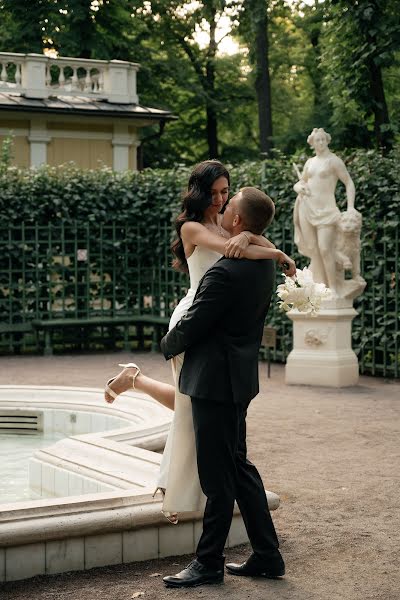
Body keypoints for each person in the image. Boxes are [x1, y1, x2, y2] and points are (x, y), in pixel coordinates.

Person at [105, 160, 295, 523]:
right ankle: (177, 489)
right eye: (214, 193)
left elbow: (251, 237)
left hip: (216, 322)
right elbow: (232, 252)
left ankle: (135, 382)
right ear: (199, 192)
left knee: (190, 407)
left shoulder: (227, 223)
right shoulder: (192, 227)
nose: (221, 199)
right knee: (191, 408)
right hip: (194, 319)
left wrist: (250, 236)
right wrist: (272, 252)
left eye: (226, 192)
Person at [160, 187, 285, 588]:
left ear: (236, 222)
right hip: (240, 378)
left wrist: (165, 345)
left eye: (229, 204)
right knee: (238, 466)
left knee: (218, 477)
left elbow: (193, 325)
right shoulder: (263, 266)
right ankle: (267, 555)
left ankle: (208, 563)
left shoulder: (223, 272)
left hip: (213, 381)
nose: (224, 207)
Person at [293, 127, 356, 293]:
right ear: (312, 143)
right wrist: (298, 188)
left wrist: (350, 207)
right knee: (314, 249)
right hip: (307, 207)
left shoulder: (333, 161)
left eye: (323, 139)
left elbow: (349, 183)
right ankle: (319, 286)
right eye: (317, 140)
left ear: (327, 140)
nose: (320, 142)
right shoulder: (310, 163)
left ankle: (333, 287)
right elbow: (301, 182)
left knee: (325, 248)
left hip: (327, 212)